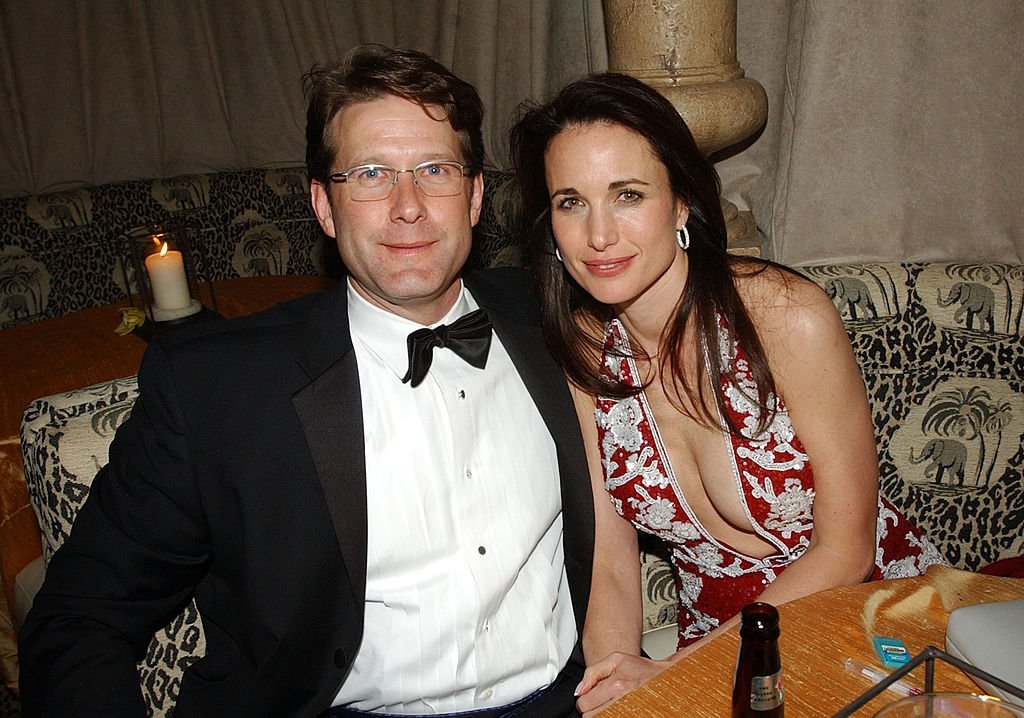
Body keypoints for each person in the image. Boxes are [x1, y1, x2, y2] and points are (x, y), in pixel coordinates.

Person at [18, 44, 594, 718]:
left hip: (562, 702)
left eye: (434, 169)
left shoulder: (561, 322)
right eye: (371, 174)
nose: (407, 205)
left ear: (474, 196)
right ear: (323, 205)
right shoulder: (217, 386)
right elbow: (79, 617)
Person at [509, 73, 946, 715]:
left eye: (627, 195)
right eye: (571, 202)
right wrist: (613, 684)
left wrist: (674, 670)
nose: (598, 235)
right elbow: (610, 555)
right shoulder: (581, 346)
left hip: (871, 620)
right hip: (715, 648)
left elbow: (846, 550)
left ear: (683, 201)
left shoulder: (785, 316)